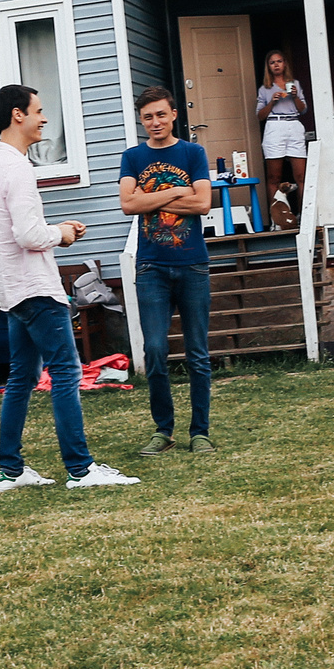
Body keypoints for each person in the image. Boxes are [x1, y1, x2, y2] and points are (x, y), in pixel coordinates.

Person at [0, 83, 139, 493]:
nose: (44, 118)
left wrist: (54, 231)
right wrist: (63, 233)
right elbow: (29, 234)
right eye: (39, 110)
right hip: (35, 288)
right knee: (66, 371)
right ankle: (81, 470)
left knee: (21, 377)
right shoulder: (16, 167)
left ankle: (10, 472)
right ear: (18, 115)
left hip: (14, 291)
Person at [119, 86, 217, 456]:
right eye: (148, 116)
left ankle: (200, 432)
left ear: (174, 114)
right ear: (141, 120)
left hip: (192, 264)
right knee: (156, 350)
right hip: (151, 267)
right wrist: (178, 193)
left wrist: (151, 196)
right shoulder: (133, 157)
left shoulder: (193, 152)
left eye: (161, 114)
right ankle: (164, 430)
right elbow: (128, 204)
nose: (155, 122)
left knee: (197, 353)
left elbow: (204, 201)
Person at [255, 49, 311, 214]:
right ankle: (277, 219)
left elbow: (303, 110)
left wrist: (294, 96)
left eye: (279, 61)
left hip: (293, 124)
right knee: (274, 177)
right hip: (274, 125)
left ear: (284, 63)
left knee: (301, 176)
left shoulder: (295, 84)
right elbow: (260, 115)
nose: (276, 65)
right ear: (268, 67)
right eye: (272, 62)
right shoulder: (265, 89)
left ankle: (303, 215)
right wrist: (272, 102)